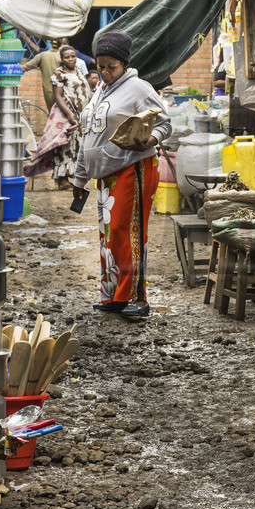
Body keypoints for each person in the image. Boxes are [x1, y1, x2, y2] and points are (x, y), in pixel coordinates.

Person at [71, 29, 173, 318]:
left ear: (124, 64)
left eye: (110, 67)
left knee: (128, 233)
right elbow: (87, 136)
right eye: (100, 66)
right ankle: (113, 295)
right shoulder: (100, 90)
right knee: (108, 236)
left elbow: (165, 124)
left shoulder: (138, 88)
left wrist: (149, 140)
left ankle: (137, 298)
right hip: (104, 174)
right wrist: (80, 179)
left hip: (133, 168)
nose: (104, 72)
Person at [23, 43, 93, 189]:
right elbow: (58, 96)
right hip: (66, 114)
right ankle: (62, 180)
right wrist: (69, 114)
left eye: (73, 56)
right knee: (64, 146)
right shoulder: (58, 74)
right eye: (67, 57)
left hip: (80, 114)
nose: (71, 59)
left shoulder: (79, 71)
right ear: (61, 58)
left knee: (76, 145)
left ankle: (70, 177)